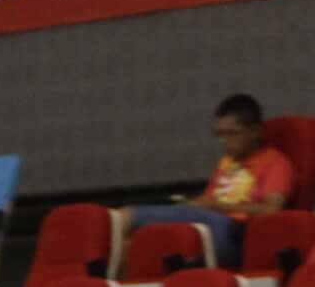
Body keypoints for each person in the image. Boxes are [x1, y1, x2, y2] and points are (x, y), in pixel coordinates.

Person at [125, 92, 302, 259]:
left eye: (231, 134)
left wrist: (217, 206)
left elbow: (271, 210)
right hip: (209, 222)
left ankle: (131, 217)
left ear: (255, 131)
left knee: (130, 217)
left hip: (237, 233)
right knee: (139, 239)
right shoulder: (227, 162)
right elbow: (210, 200)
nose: (224, 141)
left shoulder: (276, 163)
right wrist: (195, 203)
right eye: (220, 135)